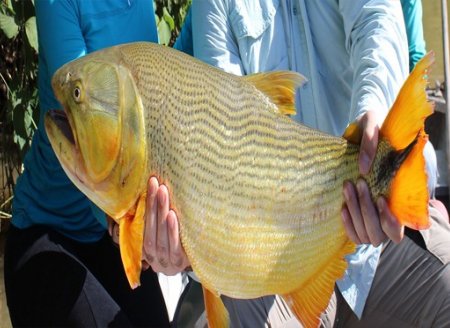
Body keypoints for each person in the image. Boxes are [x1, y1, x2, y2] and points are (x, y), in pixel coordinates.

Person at [145, 1, 450, 326]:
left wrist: (373, 114)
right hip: (276, 258)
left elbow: (375, 21)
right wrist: (193, 249)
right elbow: (224, 127)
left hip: (378, 244)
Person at [3, 1, 191, 326]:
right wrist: (124, 229)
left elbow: (168, 79)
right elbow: (86, 118)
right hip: (48, 237)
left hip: (111, 238)